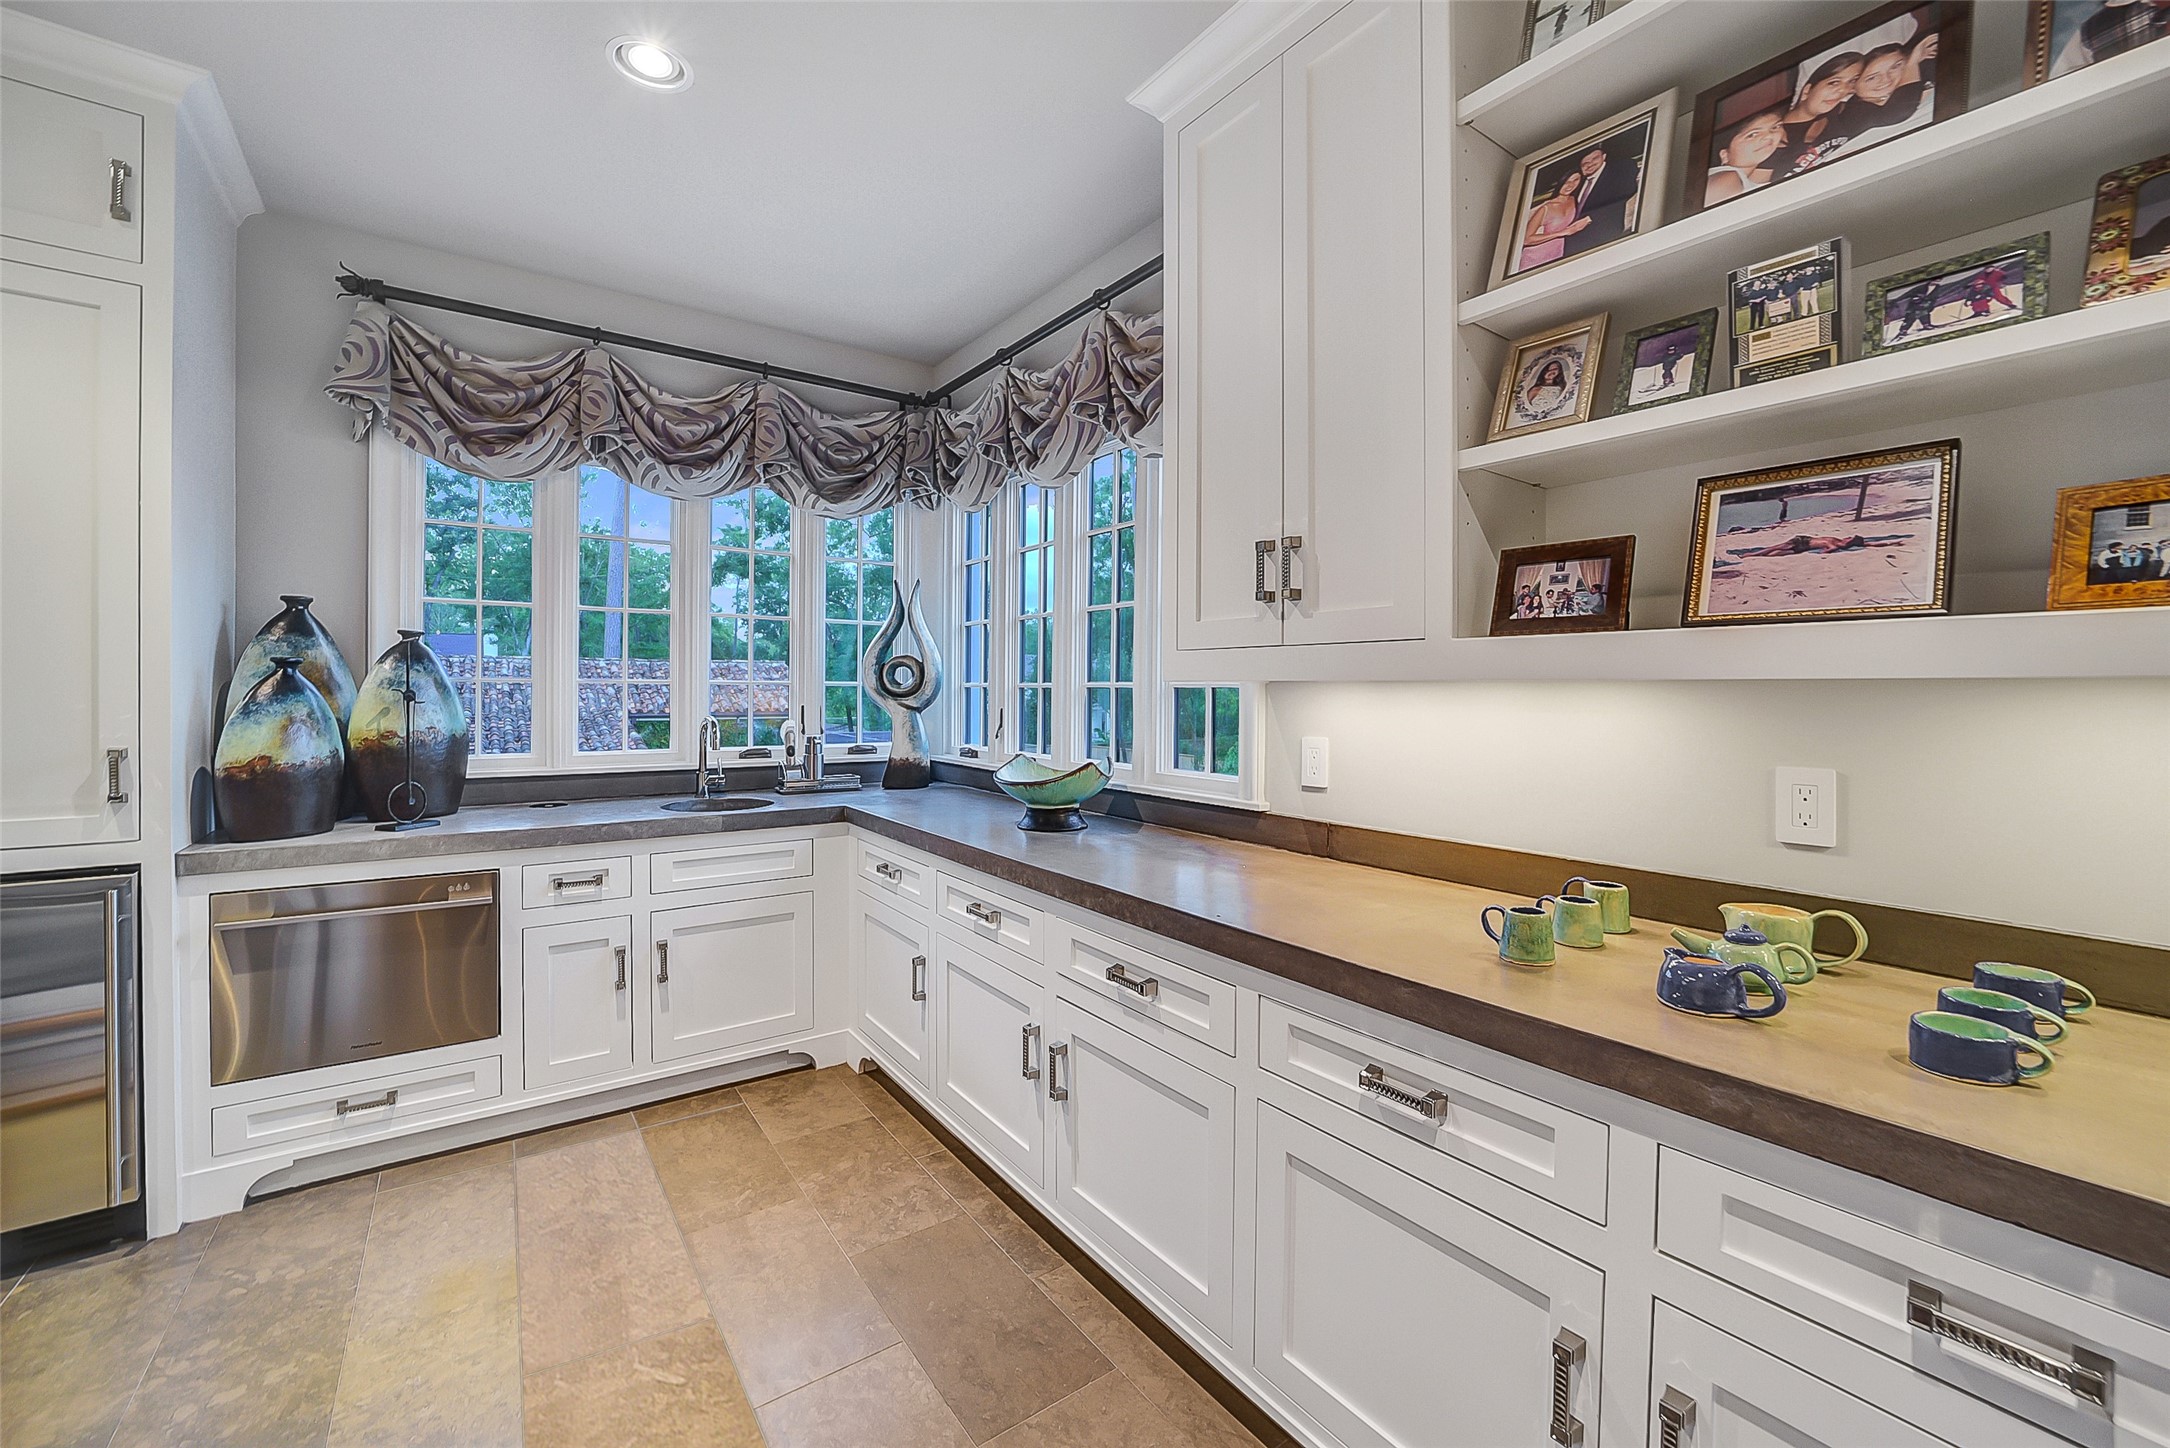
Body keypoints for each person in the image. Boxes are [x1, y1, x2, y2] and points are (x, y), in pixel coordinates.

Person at [1822, 31, 1938, 148]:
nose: (1886, 79)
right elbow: (1897, 112)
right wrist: (1911, 64)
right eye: (1871, 78)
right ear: (1853, 88)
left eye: (1895, 66)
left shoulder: (1915, 73)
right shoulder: (1853, 111)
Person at [1769, 51, 1865, 178]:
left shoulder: (1842, 111)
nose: (1843, 90)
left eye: (1852, 81)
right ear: (1807, 90)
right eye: (1834, 82)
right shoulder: (1772, 139)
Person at [1561, 136, 1644, 257]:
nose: (1590, 164)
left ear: (1604, 156)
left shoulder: (1621, 168)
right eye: (1585, 163)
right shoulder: (1577, 182)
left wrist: (1589, 218)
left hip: (1605, 239)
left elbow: (1625, 193)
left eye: (1595, 158)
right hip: (1572, 245)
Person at [1704, 108, 1786, 207]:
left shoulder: (1740, 179)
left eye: (1775, 127)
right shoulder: (1728, 178)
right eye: (1752, 135)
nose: (1768, 136)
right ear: (1725, 155)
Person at [1518, 171, 1590, 271]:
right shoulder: (1546, 207)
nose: (1570, 185)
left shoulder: (1574, 200)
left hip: (1557, 254)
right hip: (1534, 258)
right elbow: (1527, 239)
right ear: (1560, 182)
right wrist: (1562, 233)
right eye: (1566, 181)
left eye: (1575, 180)